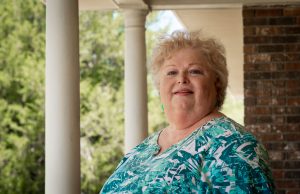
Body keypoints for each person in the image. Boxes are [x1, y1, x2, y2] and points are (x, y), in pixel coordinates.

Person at [100, 31, 275, 193]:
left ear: (217, 83)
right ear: (159, 86)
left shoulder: (234, 146)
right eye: (171, 72)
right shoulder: (145, 148)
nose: (181, 79)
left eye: (194, 71)